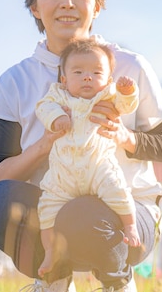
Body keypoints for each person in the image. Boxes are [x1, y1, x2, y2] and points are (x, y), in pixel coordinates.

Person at [0, 0, 162, 292]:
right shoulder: (14, 82)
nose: (67, 3)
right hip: (53, 207)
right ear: (35, 7)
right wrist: (44, 145)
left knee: (82, 214)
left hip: (126, 209)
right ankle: (53, 280)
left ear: (97, 6)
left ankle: (117, 281)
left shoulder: (131, 67)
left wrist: (124, 137)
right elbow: (0, 176)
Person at [36, 39, 142, 278]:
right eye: (78, 72)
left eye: (96, 72)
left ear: (108, 80)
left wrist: (127, 92)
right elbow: (43, 106)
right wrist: (55, 118)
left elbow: (126, 106)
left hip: (98, 167)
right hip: (63, 174)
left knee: (117, 189)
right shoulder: (59, 96)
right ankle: (51, 251)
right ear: (64, 80)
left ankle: (130, 225)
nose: (87, 77)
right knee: (47, 208)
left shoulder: (106, 96)